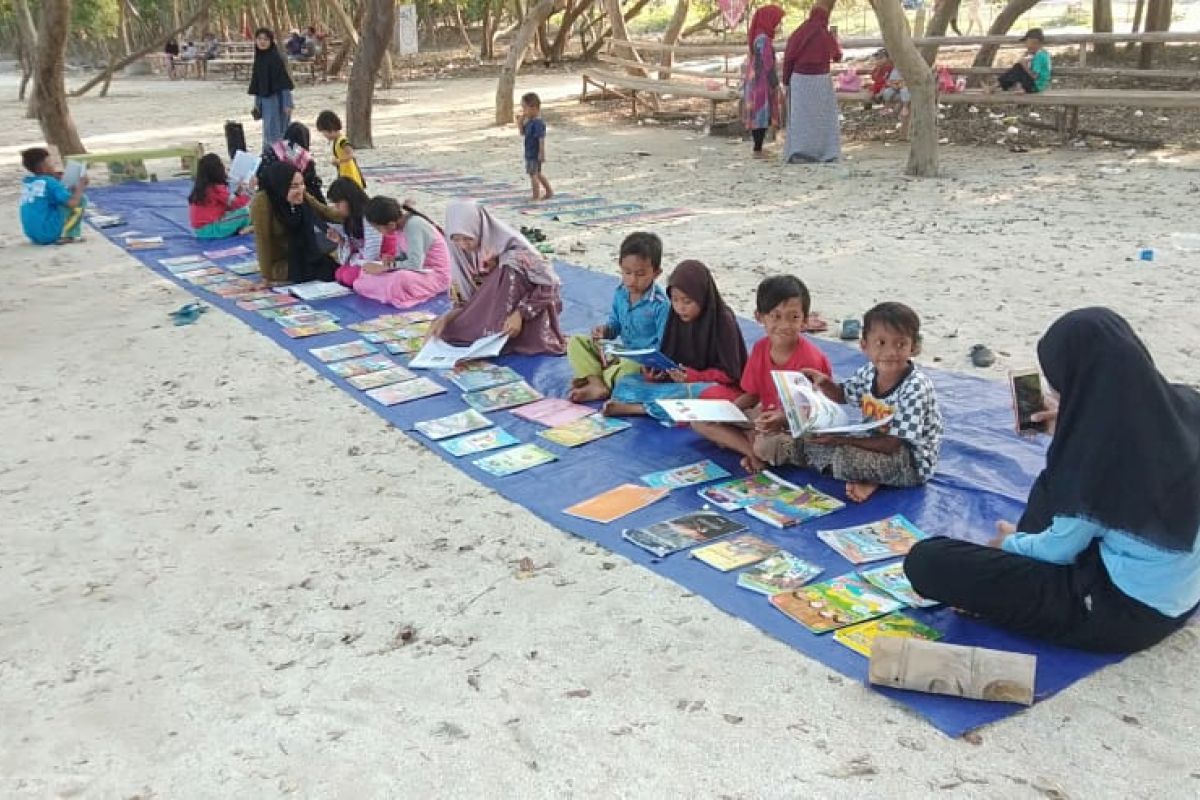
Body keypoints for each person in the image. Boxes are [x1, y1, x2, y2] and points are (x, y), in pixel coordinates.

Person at [905, 308, 1200, 653]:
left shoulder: (1096, 457)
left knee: (927, 561)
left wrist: (1010, 542)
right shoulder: (1185, 405)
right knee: (1058, 476)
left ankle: (999, 588)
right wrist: (1070, 428)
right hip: (1182, 589)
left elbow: (1059, 550)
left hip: (1121, 612)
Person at [756, 302, 943, 503]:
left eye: (901, 344)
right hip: (871, 440)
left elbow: (892, 445)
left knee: (843, 459)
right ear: (864, 346)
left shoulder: (916, 388)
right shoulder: (869, 372)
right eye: (881, 343)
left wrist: (841, 440)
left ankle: (871, 477)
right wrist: (824, 383)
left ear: (914, 348)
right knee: (813, 438)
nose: (890, 352)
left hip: (908, 461)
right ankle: (801, 451)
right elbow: (844, 395)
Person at [693, 276, 832, 472]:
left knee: (766, 446)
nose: (784, 325)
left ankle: (751, 446)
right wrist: (727, 412)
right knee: (701, 420)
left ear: (805, 320)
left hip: (795, 428)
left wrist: (781, 420)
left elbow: (815, 413)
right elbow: (753, 394)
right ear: (759, 317)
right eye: (775, 316)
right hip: (765, 416)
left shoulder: (811, 360)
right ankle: (750, 451)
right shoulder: (760, 349)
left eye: (793, 317)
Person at [603, 260, 749, 420]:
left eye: (687, 301)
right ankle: (659, 407)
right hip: (678, 385)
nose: (680, 308)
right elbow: (670, 358)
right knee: (626, 383)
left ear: (702, 297)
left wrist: (693, 376)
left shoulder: (722, 321)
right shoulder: (675, 318)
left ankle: (639, 409)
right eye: (675, 300)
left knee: (711, 396)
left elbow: (731, 374)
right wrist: (656, 373)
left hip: (712, 386)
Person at [431, 200, 565, 356]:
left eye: (468, 238)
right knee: (449, 330)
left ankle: (493, 331)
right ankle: (488, 331)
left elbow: (550, 286)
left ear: (479, 229)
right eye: (456, 239)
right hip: (491, 312)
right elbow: (466, 301)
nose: (463, 245)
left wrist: (520, 314)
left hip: (527, 312)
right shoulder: (459, 255)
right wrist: (446, 318)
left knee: (508, 269)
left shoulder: (514, 250)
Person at [567, 231, 669, 403]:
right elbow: (615, 325)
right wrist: (606, 331)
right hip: (620, 353)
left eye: (640, 274)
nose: (632, 280)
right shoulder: (621, 293)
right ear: (620, 266)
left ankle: (595, 379)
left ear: (656, 273)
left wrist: (652, 366)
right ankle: (598, 381)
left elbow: (663, 345)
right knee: (576, 342)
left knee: (629, 370)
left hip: (640, 362)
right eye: (627, 272)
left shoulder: (661, 305)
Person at [332, 194, 451, 309]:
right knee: (366, 272)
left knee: (399, 278)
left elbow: (415, 264)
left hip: (436, 275)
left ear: (391, 224)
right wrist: (392, 260)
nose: (379, 232)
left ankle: (388, 291)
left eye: (378, 228)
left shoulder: (415, 225)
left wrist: (387, 267)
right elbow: (404, 256)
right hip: (418, 271)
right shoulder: (399, 228)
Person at [251, 162, 342, 284]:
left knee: (333, 270)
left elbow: (325, 212)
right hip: (283, 261)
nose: (300, 190)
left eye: (302, 184)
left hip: (306, 254)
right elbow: (263, 240)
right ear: (281, 186)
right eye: (294, 186)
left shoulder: (301, 194)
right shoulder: (262, 202)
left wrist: (357, 214)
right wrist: (266, 277)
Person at [781, 0, 843, 164]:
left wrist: (786, 81)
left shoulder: (799, 32)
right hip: (821, 80)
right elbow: (837, 55)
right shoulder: (824, 33)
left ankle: (799, 151)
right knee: (821, 118)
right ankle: (824, 151)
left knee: (801, 117)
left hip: (800, 80)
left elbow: (789, 58)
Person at [19, 147, 87, 246]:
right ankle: (70, 235)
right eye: (51, 163)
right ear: (43, 166)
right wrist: (81, 185)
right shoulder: (50, 182)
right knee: (81, 199)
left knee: (59, 199)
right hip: (48, 233)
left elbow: (45, 193)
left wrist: (55, 178)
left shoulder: (28, 181)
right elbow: (73, 203)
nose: (54, 166)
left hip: (32, 234)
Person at [741, 5, 785, 157]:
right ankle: (758, 149)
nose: (779, 25)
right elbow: (767, 64)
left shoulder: (758, 35)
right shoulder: (764, 39)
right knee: (761, 114)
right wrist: (775, 84)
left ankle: (758, 147)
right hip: (761, 83)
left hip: (754, 80)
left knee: (757, 114)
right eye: (778, 21)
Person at [247, 28, 295, 152]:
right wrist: (257, 105)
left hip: (277, 100)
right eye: (259, 39)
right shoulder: (259, 58)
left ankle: (277, 159)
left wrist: (287, 103)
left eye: (266, 39)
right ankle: (269, 158)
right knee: (268, 131)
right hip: (265, 101)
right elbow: (258, 84)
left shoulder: (275, 58)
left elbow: (284, 83)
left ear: (270, 41)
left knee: (278, 131)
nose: (262, 42)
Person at [188, 153, 253, 239]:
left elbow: (228, 204)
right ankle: (246, 228)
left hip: (202, 231)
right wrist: (249, 190)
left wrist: (238, 192)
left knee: (236, 213)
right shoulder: (215, 189)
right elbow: (236, 204)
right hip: (212, 230)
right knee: (246, 212)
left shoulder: (203, 188)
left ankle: (244, 227)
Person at [258, 121, 325, 203]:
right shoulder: (305, 158)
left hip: (268, 199)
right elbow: (314, 187)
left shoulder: (271, 152)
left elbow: (259, 174)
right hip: (295, 202)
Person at [315, 110, 364, 189]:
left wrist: (339, 160)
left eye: (324, 132)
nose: (324, 135)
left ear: (330, 128)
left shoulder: (342, 141)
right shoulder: (336, 141)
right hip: (343, 173)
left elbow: (351, 154)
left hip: (350, 174)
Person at [517, 92, 553, 201]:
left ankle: (535, 195)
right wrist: (520, 122)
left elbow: (541, 139)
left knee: (533, 174)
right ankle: (549, 191)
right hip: (529, 151)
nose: (523, 111)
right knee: (537, 173)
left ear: (533, 107)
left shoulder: (538, 123)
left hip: (534, 152)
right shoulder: (530, 121)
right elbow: (522, 133)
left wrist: (541, 153)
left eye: (525, 108)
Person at [996, 28, 1051, 94]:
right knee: (1018, 67)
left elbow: (1035, 76)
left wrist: (1024, 65)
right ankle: (998, 86)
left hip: (1036, 87)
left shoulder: (1039, 56)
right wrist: (1026, 57)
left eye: (1027, 43)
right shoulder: (1041, 53)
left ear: (1035, 43)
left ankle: (996, 86)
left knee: (1018, 67)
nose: (1026, 46)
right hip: (1037, 85)